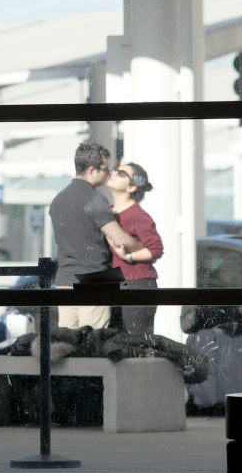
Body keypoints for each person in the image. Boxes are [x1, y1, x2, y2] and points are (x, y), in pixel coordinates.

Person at [50, 141, 143, 329]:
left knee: (68, 344)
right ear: (92, 170)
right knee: (93, 343)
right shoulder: (95, 199)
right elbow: (118, 237)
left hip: (64, 280)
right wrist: (142, 248)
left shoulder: (57, 200)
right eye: (105, 169)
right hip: (94, 280)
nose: (109, 174)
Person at [105, 162, 163, 336]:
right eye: (116, 170)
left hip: (138, 284)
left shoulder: (138, 215)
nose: (114, 173)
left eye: (122, 174)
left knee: (137, 344)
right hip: (115, 284)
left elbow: (156, 249)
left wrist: (128, 256)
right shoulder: (108, 213)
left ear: (131, 187)